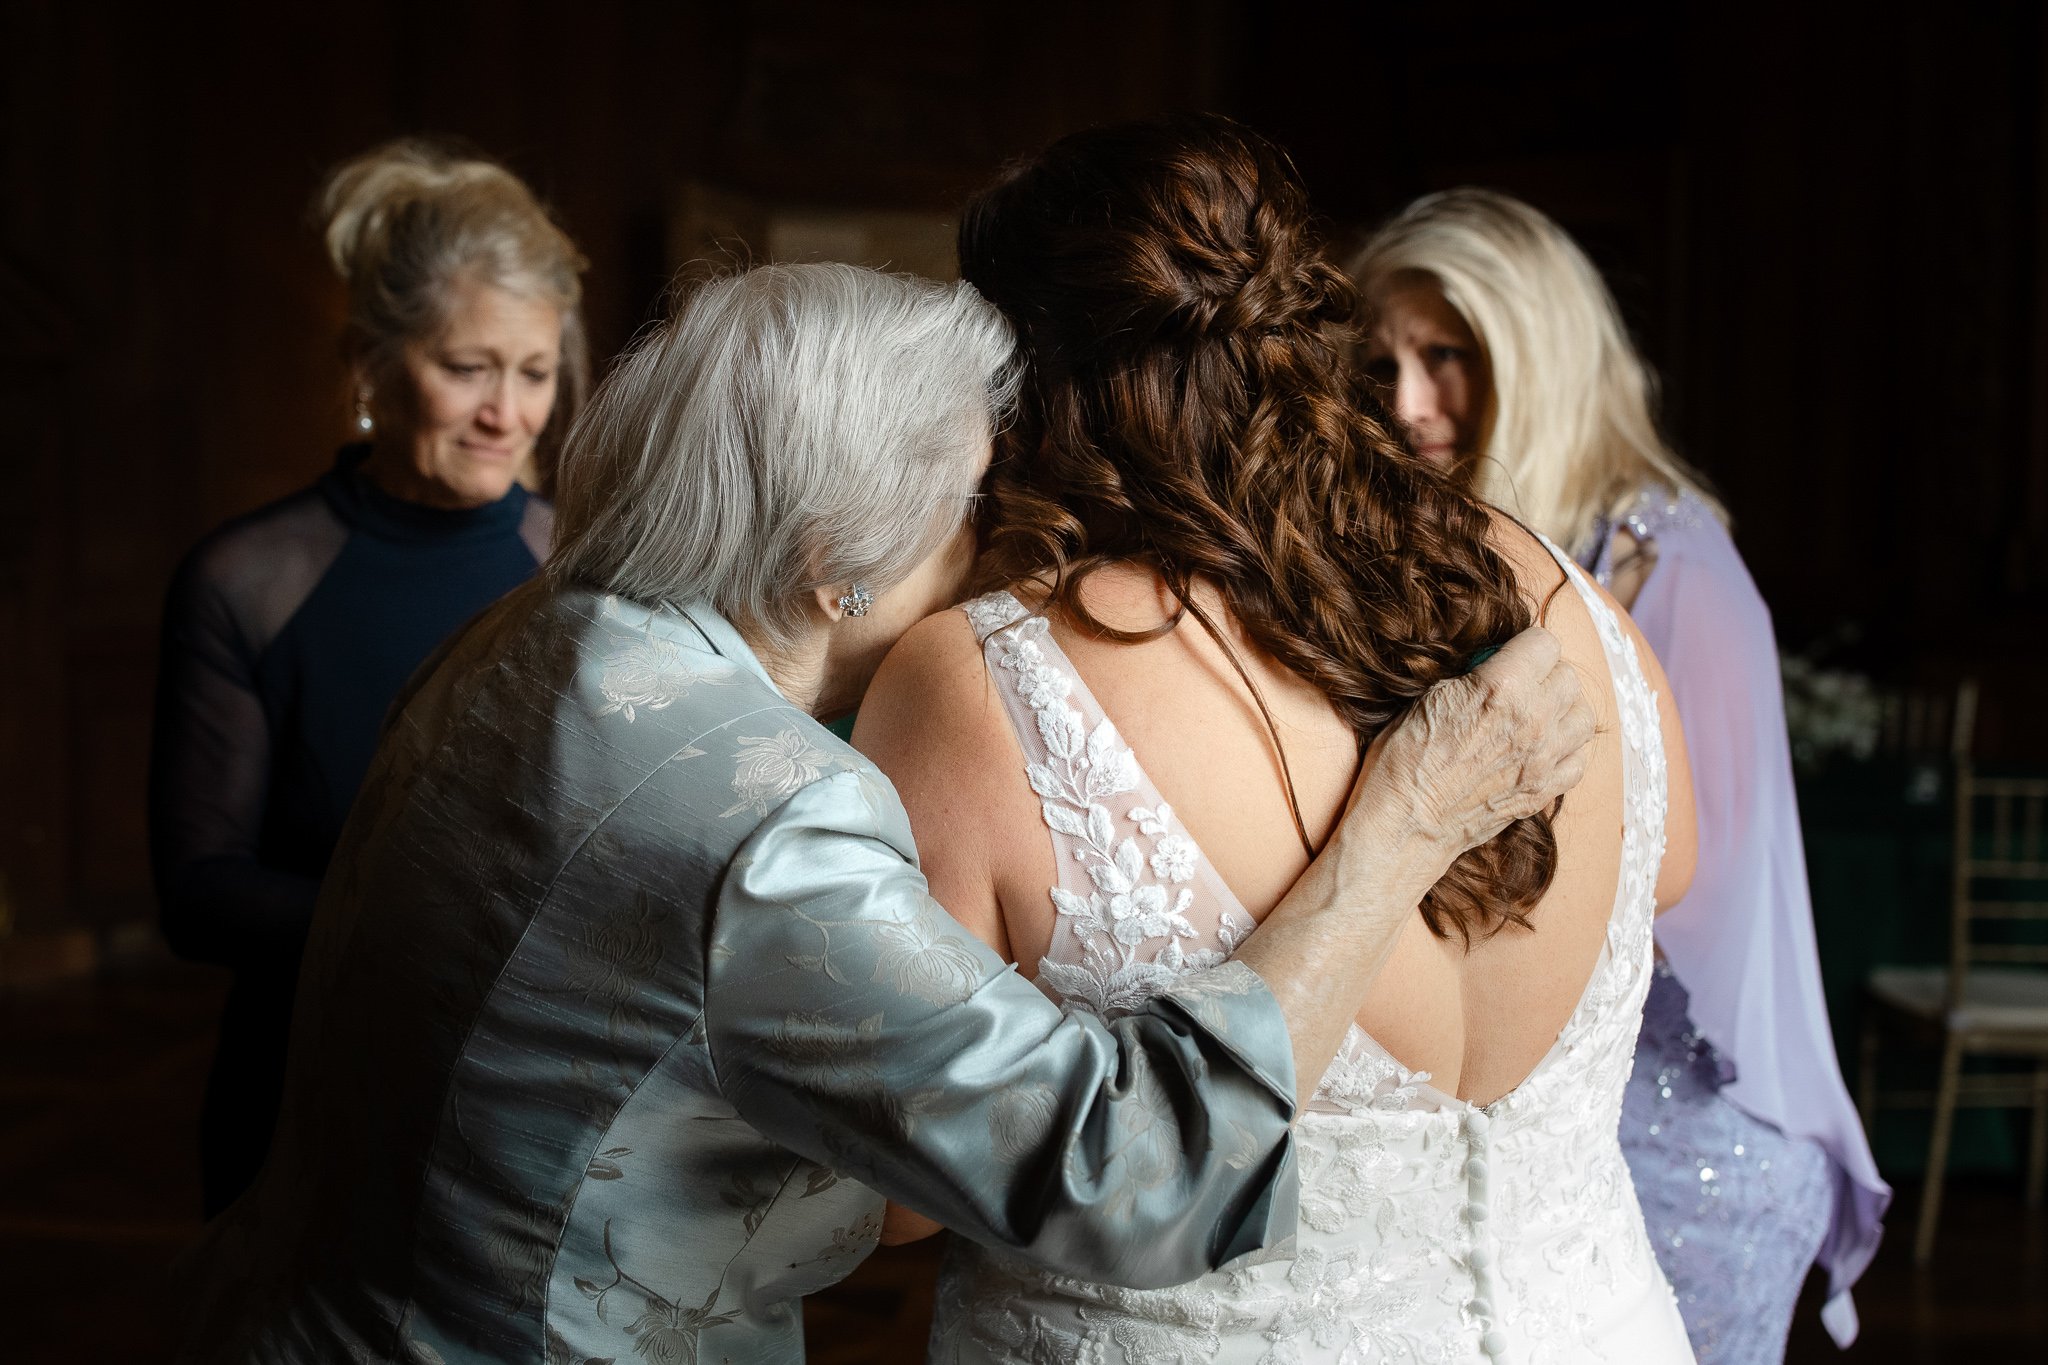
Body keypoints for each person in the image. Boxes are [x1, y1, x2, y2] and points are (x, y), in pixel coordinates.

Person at [170, 261, 1593, 1364]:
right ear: (830, 566)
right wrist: (1402, 826)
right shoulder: (768, 830)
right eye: (971, 503)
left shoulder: (536, 630)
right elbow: (1126, 1174)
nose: (1000, 542)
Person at [855, 114, 1698, 1364]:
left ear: (1016, 375)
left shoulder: (983, 679)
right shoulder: (1547, 583)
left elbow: (898, 1203)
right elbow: (1667, 868)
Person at [1351, 187, 1888, 1360]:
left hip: (1688, 1138)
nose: (1405, 403)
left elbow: (1674, 881)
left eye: (1445, 356)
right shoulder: (1457, 544)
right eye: (1379, 360)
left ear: (1534, 358)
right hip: (1549, 1123)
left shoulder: (1670, 563)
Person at [148, 139, 589, 1216]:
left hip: (532, 1093)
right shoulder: (250, 578)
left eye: (531, 373)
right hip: (307, 1083)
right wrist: (447, 928)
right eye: (466, 367)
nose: (506, 413)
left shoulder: (577, 565)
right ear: (367, 367)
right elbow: (200, 891)